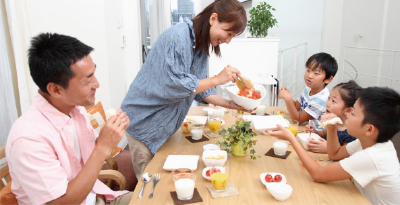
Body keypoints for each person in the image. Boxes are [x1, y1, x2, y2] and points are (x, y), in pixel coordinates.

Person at [121, 0, 248, 180]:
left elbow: (201, 90)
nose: (227, 41)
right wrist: (216, 79)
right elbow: (177, 85)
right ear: (213, 18)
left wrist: (232, 104)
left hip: (163, 127)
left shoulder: (201, 45)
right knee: (151, 188)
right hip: (145, 124)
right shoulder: (178, 37)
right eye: (228, 33)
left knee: (169, 181)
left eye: (232, 36)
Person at [6, 33, 132, 205]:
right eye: (87, 81)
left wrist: (108, 136)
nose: (97, 84)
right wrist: (102, 147)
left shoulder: (75, 110)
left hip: (97, 196)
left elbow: (87, 155)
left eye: (93, 74)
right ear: (56, 90)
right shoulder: (28, 139)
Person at [268, 87, 400, 204]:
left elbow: (319, 174)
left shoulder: (372, 157)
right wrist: (331, 128)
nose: (347, 114)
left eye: (353, 113)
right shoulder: (367, 142)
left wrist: (292, 138)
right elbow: (335, 153)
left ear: (369, 130)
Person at [278, 52, 338, 126]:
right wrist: (286, 93)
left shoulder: (321, 99)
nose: (309, 76)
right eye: (308, 70)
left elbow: (298, 120)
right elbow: (296, 107)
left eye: (316, 73)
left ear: (328, 79)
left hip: (315, 134)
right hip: (304, 128)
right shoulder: (308, 88)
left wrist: (288, 98)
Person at [305, 80, 362, 153]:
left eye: (333, 101)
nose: (328, 103)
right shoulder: (332, 121)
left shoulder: (350, 132)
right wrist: (315, 131)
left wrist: (328, 148)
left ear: (348, 110)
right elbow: (324, 133)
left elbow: (345, 154)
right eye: (329, 98)